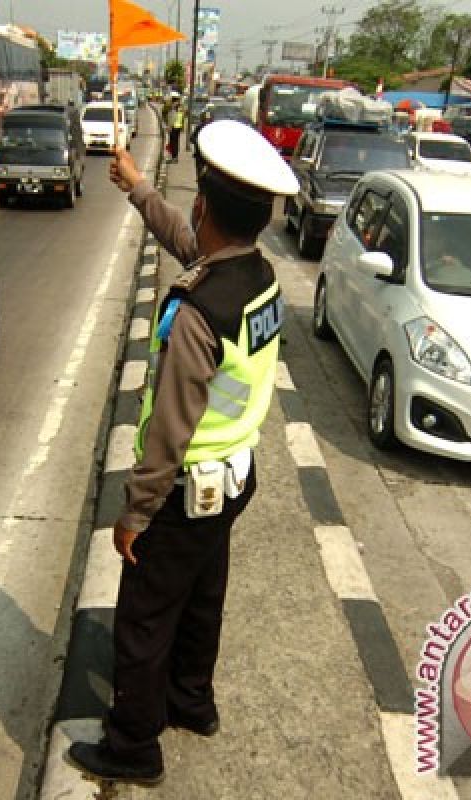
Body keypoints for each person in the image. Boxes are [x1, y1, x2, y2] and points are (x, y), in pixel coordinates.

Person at [66, 121, 299, 785]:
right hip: (234, 479)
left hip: (184, 489)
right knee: (202, 595)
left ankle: (133, 745)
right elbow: (191, 245)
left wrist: (136, 512)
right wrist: (140, 190)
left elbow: (169, 427)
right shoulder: (258, 277)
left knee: (142, 620)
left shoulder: (199, 313)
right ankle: (191, 701)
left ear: (204, 204)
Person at [166, 94, 185, 164]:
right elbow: (182, 118)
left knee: (173, 143)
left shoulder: (174, 108)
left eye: (171, 100)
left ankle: (173, 158)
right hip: (178, 127)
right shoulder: (180, 108)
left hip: (174, 127)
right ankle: (175, 157)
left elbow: (172, 118)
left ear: (173, 101)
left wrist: (169, 127)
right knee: (176, 143)